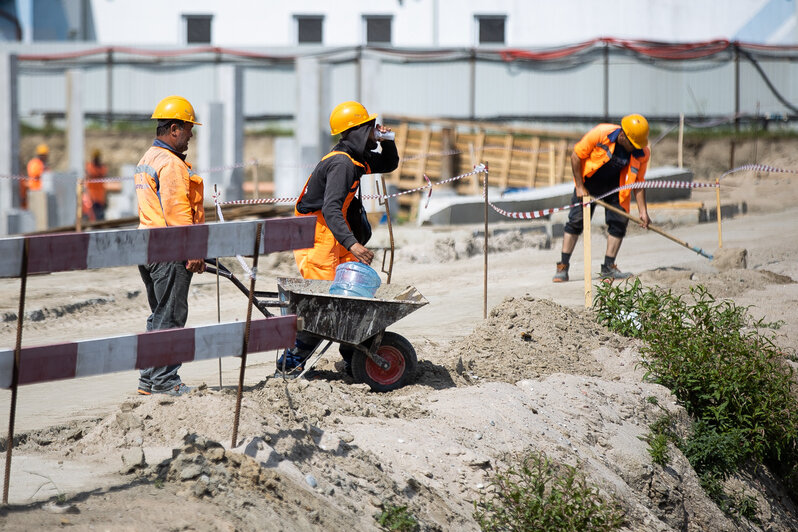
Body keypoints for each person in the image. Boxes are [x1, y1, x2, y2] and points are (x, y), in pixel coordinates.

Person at [277, 100, 399, 376]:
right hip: (318, 242)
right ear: (357, 131)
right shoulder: (341, 164)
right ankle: (287, 368)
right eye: (370, 128)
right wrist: (353, 244)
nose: (374, 132)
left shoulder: (354, 158)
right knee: (323, 310)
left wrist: (387, 139)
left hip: (333, 238)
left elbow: (389, 163)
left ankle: (353, 358)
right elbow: (331, 209)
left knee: (353, 301)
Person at [134, 95, 205, 396]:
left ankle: (149, 380)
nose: (191, 135)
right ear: (174, 129)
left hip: (147, 247)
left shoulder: (147, 158)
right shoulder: (172, 164)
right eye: (189, 128)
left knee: (159, 315)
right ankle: (164, 381)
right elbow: (177, 214)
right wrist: (193, 251)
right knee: (172, 316)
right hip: (169, 250)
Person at [552, 114, 651, 282]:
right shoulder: (601, 133)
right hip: (589, 183)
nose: (635, 148)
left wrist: (643, 211)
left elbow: (639, 183)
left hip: (616, 187)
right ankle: (563, 266)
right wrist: (579, 186)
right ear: (622, 135)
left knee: (619, 222)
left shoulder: (642, 153)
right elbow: (576, 156)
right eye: (632, 144)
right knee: (576, 221)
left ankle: (608, 268)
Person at [21, 143, 49, 209]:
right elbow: (35, 174)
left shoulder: (43, 164)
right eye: (45, 155)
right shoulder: (34, 163)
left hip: (42, 192)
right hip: (35, 191)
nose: (46, 157)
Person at [85, 149, 109, 221]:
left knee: (100, 218)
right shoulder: (90, 167)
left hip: (100, 198)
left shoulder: (102, 168)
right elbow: (90, 173)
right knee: (93, 218)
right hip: (91, 198)